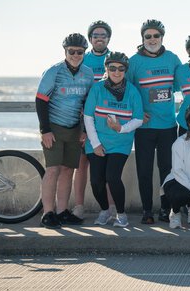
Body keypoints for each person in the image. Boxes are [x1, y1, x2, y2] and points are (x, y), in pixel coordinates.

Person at [36, 33, 94, 228]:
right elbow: (41, 100)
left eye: (80, 52)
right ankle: (48, 213)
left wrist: (85, 130)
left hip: (74, 129)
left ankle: (62, 211)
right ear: (65, 51)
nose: (76, 55)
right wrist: (45, 130)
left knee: (69, 170)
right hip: (53, 127)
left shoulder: (87, 73)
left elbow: (88, 103)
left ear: (84, 52)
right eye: (72, 51)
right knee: (53, 170)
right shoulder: (53, 71)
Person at [127, 19, 182, 224]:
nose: (152, 39)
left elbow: (179, 85)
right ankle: (147, 210)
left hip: (168, 125)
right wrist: (137, 112)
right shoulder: (134, 61)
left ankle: (165, 208)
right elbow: (128, 92)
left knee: (167, 170)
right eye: (148, 36)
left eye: (156, 36)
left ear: (162, 37)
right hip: (144, 128)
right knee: (144, 170)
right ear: (142, 38)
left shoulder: (172, 59)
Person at [84, 52, 143, 228]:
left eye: (120, 69)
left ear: (125, 70)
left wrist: (121, 128)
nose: (116, 72)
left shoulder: (132, 91)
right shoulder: (97, 88)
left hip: (120, 143)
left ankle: (121, 213)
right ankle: (104, 210)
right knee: (96, 180)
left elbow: (138, 119)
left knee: (112, 176)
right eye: (112, 68)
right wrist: (95, 144)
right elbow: (88, 117)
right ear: (107, 69)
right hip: (97, 142)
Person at [72, 20, 114, 220]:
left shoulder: (114, 59)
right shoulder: (82, 59)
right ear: (90, 39)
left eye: (103, 35)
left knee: (107, 166)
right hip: (83, 118)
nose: (99, 38)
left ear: (108, 39)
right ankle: (79, 207)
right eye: (95, 35)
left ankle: (111, 207)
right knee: (81, 165)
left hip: (107, 120)